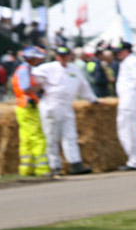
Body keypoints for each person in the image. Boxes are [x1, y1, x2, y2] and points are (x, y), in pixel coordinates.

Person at [33, 45, 97, 176]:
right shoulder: (47, 68)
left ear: (69, 56)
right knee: (52, 136)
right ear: (56, 56)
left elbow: (83, 86)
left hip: (67, 105)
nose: (63, 58)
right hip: (52, 104)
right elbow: (35, 78)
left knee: (70, 135)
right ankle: (54, 166)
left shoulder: (74, 69)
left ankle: (75, 163)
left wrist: (92, 99)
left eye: (65, 56)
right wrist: (38, 88)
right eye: (60, 56)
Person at [11, 46, 49, 179]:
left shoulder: (23, 69)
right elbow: (26, 88)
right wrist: (39, 87)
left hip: (22, 107)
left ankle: (26, 169)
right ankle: (42, 169)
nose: (39, 61)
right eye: (37, 58)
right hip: (29, 107)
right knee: (37, 136)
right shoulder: (24, 70)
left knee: (26, 139)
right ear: (31, 58)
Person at [114, 42, 136, 171]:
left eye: (119, 51)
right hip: (134, 95)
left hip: (130, 96)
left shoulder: (131, 61)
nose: (117, 54)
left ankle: (135, 161)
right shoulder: (131, 61)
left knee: (127, 130)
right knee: (132, 129)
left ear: (125, 51)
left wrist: (134, 90)